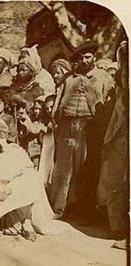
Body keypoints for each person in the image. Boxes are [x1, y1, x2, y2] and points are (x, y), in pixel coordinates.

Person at [49, 40, 114, 221]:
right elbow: (58, 102)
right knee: (63, 169)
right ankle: (60, 208)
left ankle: (84, 212)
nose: (84, 60)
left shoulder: (103, 77)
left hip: (89, 127)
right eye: (82, 57)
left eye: (88, 57)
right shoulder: (69, 78)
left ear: (94, 57)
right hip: (67, 126)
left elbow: (108, 106)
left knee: (85, 170)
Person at [97, 41, 128, 249]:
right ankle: (117, 226)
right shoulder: (121, 91)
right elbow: (115, 119)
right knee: (114, 182)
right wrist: (108, 142)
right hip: (119, 140)